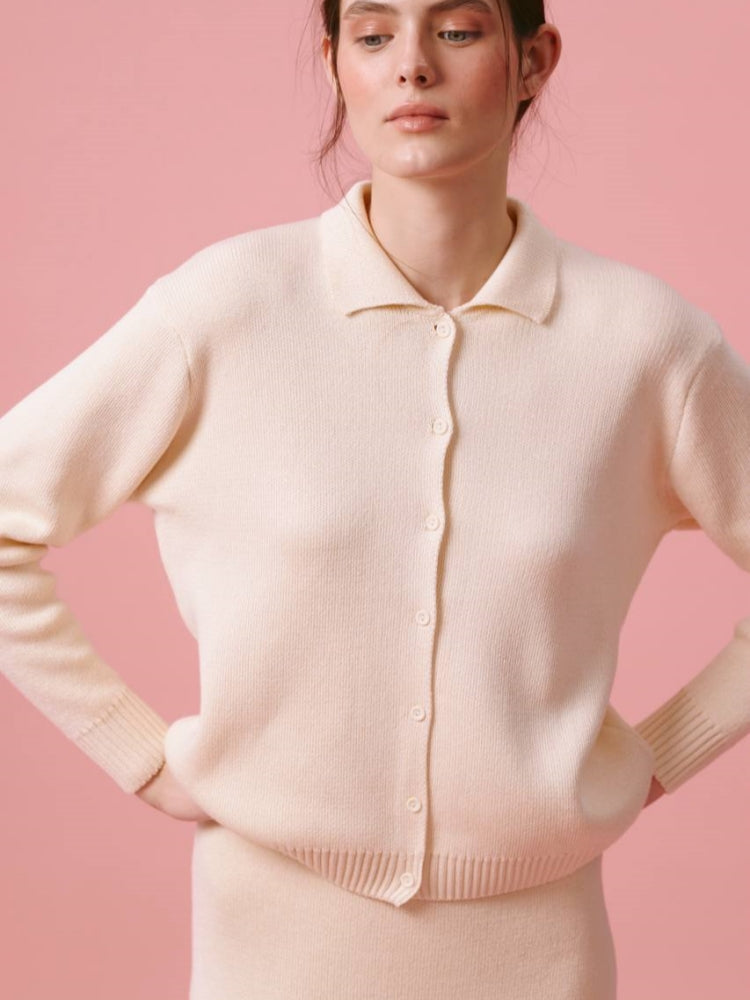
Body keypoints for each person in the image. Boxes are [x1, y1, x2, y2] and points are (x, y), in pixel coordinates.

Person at [1, 1, 749, 997]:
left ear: (534, 60)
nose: (411, 67)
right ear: (334, 63)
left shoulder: (646, 345)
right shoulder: (225, 308)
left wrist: (654, 758)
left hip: (542, 954)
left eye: (457, 30)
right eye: (373, 34)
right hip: (269, 946)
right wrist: (138, 753)